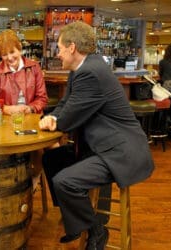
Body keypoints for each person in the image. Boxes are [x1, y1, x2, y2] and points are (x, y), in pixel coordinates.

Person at [39, 21, 154, 249]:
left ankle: (97, 231)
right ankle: (75, 219)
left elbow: (70, 117)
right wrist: (54, 117)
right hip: (100, 145)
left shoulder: (90, 71)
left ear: (72, 47)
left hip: (120, 151)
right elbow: (66, 103)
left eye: (60, 48)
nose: (58, 54)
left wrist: (55, 121)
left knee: (65, 181)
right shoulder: (80, 69)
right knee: (51, 159)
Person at [0, 29, 48, 115]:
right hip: (5, 121)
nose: (10, 58)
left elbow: (42, 98)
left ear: (20, 48)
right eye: (4, 54)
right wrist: (5, 109)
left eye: (12, 52)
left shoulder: (34, 67)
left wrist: (30, 108)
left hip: (31, 118)